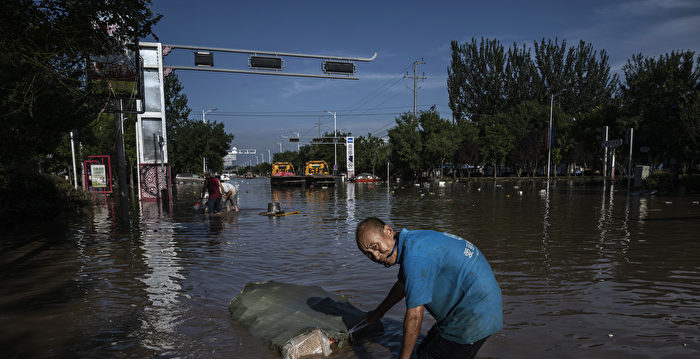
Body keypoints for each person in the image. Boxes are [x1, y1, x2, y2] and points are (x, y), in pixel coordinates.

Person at [355, 217, 502, 359]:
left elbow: (414, 316)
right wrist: (379, 312)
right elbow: (402, 284)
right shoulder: (412, 241)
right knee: (423, 350)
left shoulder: (415, 258)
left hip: (474, 315)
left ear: (388, 230)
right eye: (368, 253)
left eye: (375, 247)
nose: (375, 256)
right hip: (478, 304)